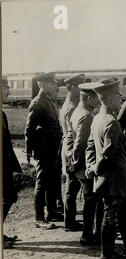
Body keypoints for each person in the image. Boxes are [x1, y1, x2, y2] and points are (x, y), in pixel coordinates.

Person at [85, 78, 126, 259]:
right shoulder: (111, 122)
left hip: (108, 176)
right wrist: (95, 169)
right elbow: (108, 154)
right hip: (114, 176)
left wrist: (91, 166)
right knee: (111, 213)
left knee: (119, 210)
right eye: (118, 96)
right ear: (110, 97)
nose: (121, 100)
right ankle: (107, 253)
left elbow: (90, 146)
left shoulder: (98, 118)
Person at [66, 82, 104, 245]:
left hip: (76, 164)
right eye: (96, 98)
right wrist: (78, 164)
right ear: (88, 98)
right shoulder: (88, 116)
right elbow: (81, 144)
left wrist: (70, 160)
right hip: (84, 165)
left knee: (80, 196)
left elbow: (70, 136)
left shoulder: (77, 111)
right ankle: (88, 235)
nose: (98, 101)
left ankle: (82, 229)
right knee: (92, 200)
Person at [25, 72, 62, 229]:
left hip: (53, 149)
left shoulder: (49, 102)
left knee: (53, 181)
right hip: (44, 150)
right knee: (41, 183)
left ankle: (51, 212)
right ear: (42, 84)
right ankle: (39, 217)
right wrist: (29, 151)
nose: (55, 86)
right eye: (52, 83)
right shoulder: (38, 103)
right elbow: (29, 130)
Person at [61, 74, 86, 231]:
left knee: (72, 187)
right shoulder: (71, 107)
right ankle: (69, 222)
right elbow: (74, 134)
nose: (81, 88)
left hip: (69, 149)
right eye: (78, 85)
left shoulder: (69, 104)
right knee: (72, 188)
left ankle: (69, 221)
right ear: (71, 87)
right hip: (72, 150)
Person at [2, 78, 22, 248]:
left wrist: (15, 167)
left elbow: (7, 144)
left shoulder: (2, 114)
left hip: (4, 167)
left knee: (9, 197)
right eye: (5, 88)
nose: (8, 91)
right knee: (8, 197)